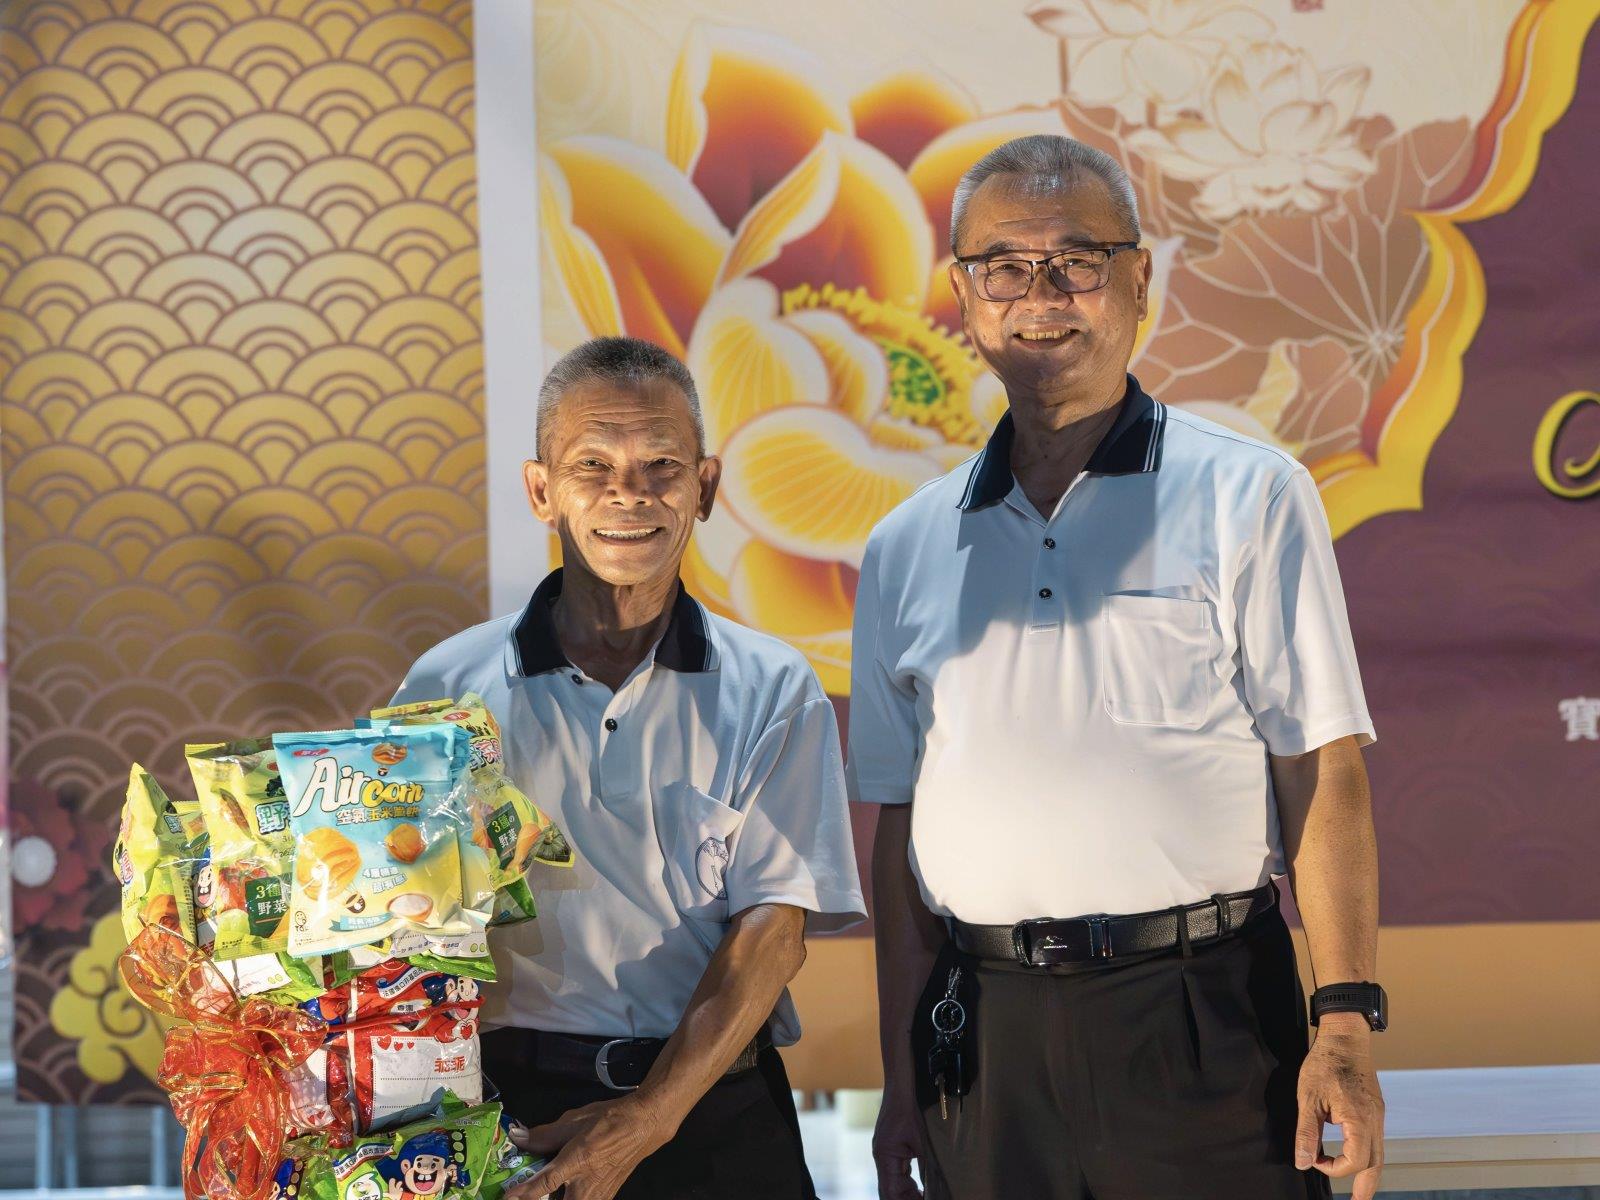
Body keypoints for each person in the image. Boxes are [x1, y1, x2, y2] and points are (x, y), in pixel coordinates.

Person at [851, 135, 1386, 1200]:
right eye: (1005, 267)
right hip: (983, 1037)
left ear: (1139, 281)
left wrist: (1344, 1025)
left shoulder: (1249, 494)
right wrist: (901, 1076)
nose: (1040, 295)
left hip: (1203, 1024)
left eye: (1076, 262)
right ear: (962, 296)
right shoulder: (905, 544)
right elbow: (900, 829)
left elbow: (1319, 768)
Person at [391, 336, 866, 1200]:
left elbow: (773, 933)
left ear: (705, 487)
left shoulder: (772, 686)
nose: (629, 494)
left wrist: (646, 1119)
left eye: (662, 466)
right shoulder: (445, 687)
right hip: (503, 1108)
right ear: (542, 490)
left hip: (713, 1109)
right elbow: (394, 913)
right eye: (592, 465)